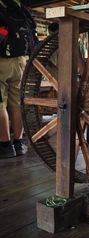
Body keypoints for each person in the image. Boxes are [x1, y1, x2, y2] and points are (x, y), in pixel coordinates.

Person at [0, 0, 38, 158]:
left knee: (0, 103)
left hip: (1, 59)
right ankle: (19, 143)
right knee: (16, 103)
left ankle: (5, 145)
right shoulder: (20, 6)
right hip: (21, 59)